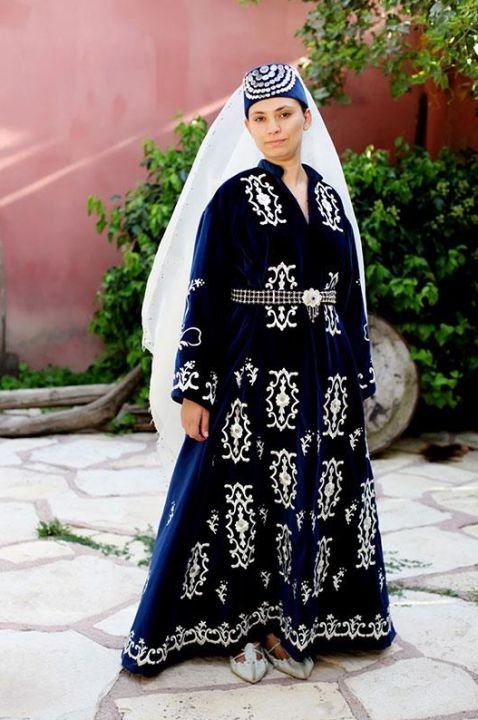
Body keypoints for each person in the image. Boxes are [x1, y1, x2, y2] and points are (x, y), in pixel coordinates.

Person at [121, 62, 396, 684]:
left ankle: (293, 623)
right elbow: (203, 294)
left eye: (285, 114)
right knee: (240, 498)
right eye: (261, 118)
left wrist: (358, 375)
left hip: (324, 373)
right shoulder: (231, 200)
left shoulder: (330, 201)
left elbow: (349, 293)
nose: (274, 127)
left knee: (311, 496)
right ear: (247, 126)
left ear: (307, 118)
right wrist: (194, 386)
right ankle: (239, 629)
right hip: (249, 371)